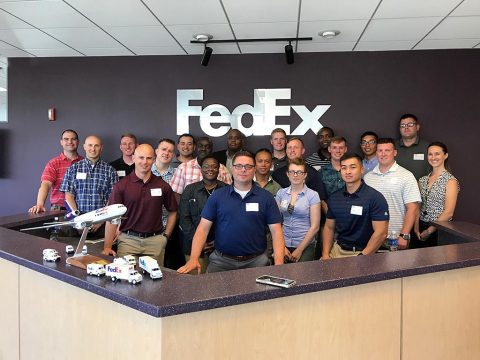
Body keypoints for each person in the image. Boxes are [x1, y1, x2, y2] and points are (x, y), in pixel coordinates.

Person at [177, 151, 285, 274]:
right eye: (239, 166)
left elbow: (276, 232)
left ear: (254, 169)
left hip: (257, 262)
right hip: (221, 262)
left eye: (248, 166)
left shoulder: (266, 197)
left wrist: (279, 264)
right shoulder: (218, 196)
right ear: (232, 169)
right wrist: (193, 258)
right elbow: (203, 228)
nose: (243, 170)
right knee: (211, 292)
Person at [102, 144, 177, 266]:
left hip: (155, 242)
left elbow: (173, 211)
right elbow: (111, 218)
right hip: (128, 242)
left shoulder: (163, 185)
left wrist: (166, 236)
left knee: (155, 282)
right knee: (126, 281)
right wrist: (107, 246)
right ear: (133, 159)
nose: (145, 162)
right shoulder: (121, 186)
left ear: (153, 159)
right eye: (141, 157)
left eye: (148, 158)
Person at [322, 153, 389, 258]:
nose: (348, 172)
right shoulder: (334, 198)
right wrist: (325, 254)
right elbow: (329, 227)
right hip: (337, 250)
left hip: (363, 253)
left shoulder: (375, 198)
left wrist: (362, 256)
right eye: (344, 168)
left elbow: (381, 233)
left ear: (362, 170)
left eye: (352, 167)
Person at [364, 138, 421, 250]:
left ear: (394, 152)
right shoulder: (367, 177)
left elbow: (413, 209)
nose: (383, 154)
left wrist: (404, 235)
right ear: (376, 153)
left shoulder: (406, 176)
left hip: (395, 238)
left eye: (387, 150)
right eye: (380, 151)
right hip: (371, 237)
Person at [60, 135, 118, 237]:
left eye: (96, 146)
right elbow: (69, 196)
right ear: (84, 147)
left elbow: (112, 198)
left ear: (101, 147)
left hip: (102, 224)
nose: (93, 149)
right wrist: (78, 222)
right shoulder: (73, 169)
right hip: (78, 224)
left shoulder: (110, 171)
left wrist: (100, 221)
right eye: (90, 145)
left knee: (99, 252)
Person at [178, 154, 226, 273]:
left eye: (214, 166)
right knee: (196, 285)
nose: (210, 169)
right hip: (193, 247)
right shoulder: (190, 190)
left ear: (219, 169)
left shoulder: (227, 190)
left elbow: (230, 220)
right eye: (206, 166)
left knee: (219, 285)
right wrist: (199, 242)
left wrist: (218, 241)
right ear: (201, 169)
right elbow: (184, 219)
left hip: (221, 248)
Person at [414, 142, 460, 248]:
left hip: (439, 230)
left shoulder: (450, 181)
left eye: (437, 154)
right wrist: (416, 228)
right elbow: (417, 207)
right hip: (420, 228)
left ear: (445, 155)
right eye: (430, 154)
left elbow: (448, 213)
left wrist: (429, 231)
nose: (433, 157)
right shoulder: (422, 180)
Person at [275, 158, 320, 262]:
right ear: (288, 174)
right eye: (292, 172)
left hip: (305, 245)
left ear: (305, 175)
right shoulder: (280, 193)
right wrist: (282, 246)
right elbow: (276, 222)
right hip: (283, 243)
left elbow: (315, 227)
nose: (295, 175)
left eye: (299, 172)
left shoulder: (313, 195)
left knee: (301, 275)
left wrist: (299, 250)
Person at [29, 129, 82, 213]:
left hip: (83, 210)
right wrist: (40, 204)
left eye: (73, 139)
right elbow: (46, 184)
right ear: (61, 142)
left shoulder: (85, 163)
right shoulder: (54, 163)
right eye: (66, 139)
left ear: (78, 142)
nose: (70, 142)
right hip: (60, 211)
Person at [169, 136, 232, 201]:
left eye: (207, 147)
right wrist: (183, 209)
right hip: (190, 209)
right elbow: (175, 193)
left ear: (212, 149)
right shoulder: (183, 168)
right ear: (195, 148)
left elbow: (230, 193)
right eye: (200, 146)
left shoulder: (222, 169)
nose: (203, 149)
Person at [395, 113, 430, 180]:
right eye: (402, 125)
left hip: (421, 189)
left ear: (417, 127)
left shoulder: (428, 147)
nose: (406, 127)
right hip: (395, 189)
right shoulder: (392, 147)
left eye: (410, 124)